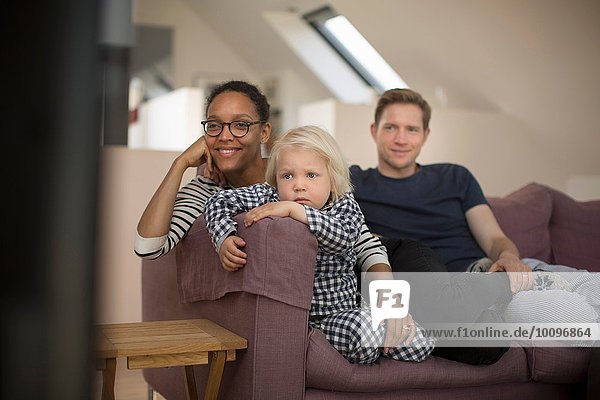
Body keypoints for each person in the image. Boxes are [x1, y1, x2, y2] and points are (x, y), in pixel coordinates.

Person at [350, 88, 599, 334]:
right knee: (568, 314)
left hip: (491, 269)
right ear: (374, 131)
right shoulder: (352, 183)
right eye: (391, 127)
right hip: (455, 293)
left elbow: (493, 238)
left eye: (412, 129)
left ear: (425, 135)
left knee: (592, 287)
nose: (401, 139)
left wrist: (509, 258)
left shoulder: (455, 176)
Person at [203, 125, 434, 364]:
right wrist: (223, 238)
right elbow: (217, 201)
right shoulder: (270, 196)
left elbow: (343, 239)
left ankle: (378, 339)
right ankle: (363, 341)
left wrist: (296, 211)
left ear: (333, 181)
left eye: (311, 175)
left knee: (419, 342)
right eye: (287, 175)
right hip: (315, 321)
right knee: (366, 331)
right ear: (276, 179)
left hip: (350, 308)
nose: (298, 185)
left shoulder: (343, 203)